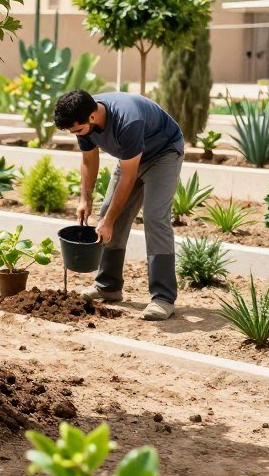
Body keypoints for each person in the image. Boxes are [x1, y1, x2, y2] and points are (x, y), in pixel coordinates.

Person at [53, 90, 184, 321]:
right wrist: (85, 197)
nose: (77, 134)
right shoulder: (81, 118)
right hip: (130, 158)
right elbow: (89, 159)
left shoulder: (128, 119)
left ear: (92, 117)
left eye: (78, 130)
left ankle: (163, 298)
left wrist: (110, 221)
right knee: (106, 214)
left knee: (154, 218)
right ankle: (108, 286)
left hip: (163, 154)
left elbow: (128, 177)